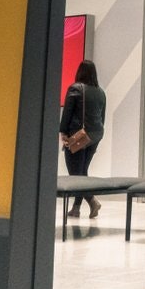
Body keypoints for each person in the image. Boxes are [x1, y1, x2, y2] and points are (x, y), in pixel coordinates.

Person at [58, 59, 106, 218]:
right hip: (95, 135)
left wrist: (63, 132)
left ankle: (92, 201)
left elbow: (67, 112)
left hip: (79, 135)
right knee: (82, 170)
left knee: (75, 173)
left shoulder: (76, 89)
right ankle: (76, 208)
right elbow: (102, 117)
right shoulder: (101, 92)